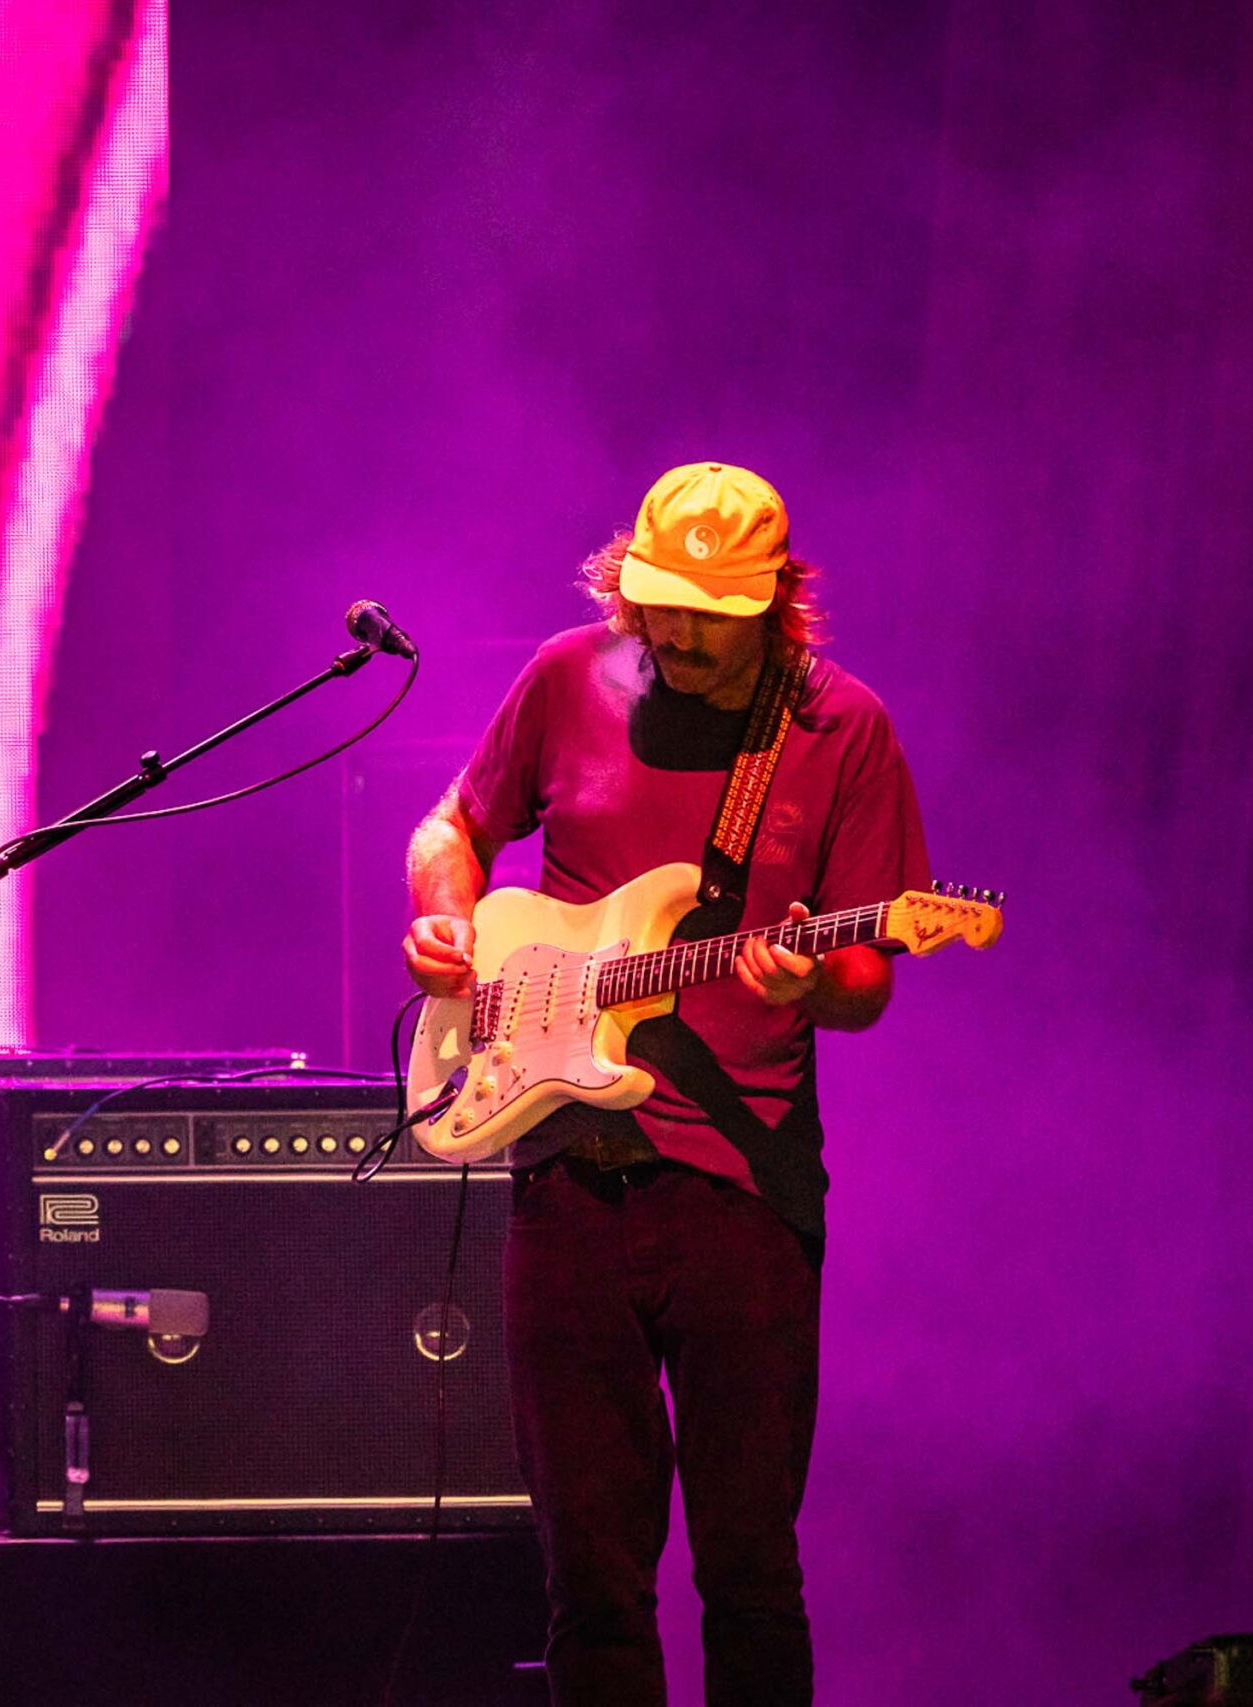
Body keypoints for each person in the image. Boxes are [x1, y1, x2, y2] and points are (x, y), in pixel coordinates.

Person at [402, 462, 931, 1705]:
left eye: (708, 609)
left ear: (775, 602)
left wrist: (815, 986)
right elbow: (453, 829)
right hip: (563, 1178)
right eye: (659, 603)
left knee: (747, 1571)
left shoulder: (839, 728)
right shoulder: (565, 677)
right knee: (588, 1580)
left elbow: (867, 980)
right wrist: (449, 924)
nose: (678, 632)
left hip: (737, 1192)